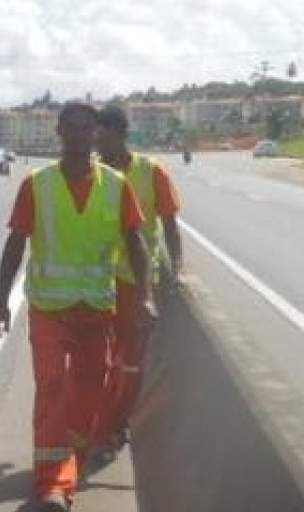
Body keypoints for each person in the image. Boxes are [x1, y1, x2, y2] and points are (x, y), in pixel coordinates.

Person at [0, 102, 154, 512]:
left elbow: (136, 243)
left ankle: (69, 466)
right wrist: (1, 300)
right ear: (59, 132)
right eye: (73, 127)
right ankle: (53, 484)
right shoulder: (37, 184)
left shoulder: (116, 185)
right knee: (51, 389)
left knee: (89, 393)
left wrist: (146, 296)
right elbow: (15, 242)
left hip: (96, 308)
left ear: (96, 133)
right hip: (49, 308)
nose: (80, 135)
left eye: (87, 128)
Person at [93, 106, 183, 452]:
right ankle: (103, 424)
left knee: (130, 361)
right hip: (99, 282)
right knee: (101, 359)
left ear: (120, 135)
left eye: (104, 137)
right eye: (96, 138)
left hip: (137, 282)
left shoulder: (151, 171)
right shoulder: (93, 173)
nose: (98, 144)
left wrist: (178, 269)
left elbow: (170, 224)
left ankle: (117, 423)